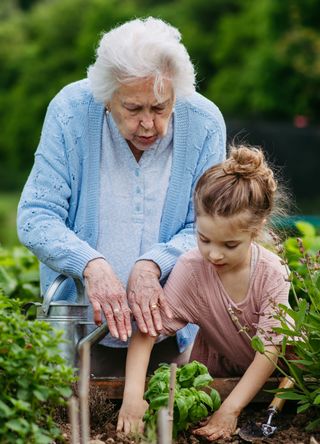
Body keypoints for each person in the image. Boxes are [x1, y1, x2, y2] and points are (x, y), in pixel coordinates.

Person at [16, 17, 226, 374]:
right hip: (79, 330)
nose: (148, 124)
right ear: (107, 97)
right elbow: (37, 215)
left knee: (164, 421)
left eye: (161, 108)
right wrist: (90, 264)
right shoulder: (71, 111)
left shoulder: (204, 123)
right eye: (133, 109)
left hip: (169, 332)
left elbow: (210, 228)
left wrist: (154, 263)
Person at [117, 145, 290, 440]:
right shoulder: (191, 269)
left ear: (257, 228)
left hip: (279, 380)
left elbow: (271, 351)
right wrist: (132, 396)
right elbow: (147, 331)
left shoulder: (272, 272)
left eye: (230, 245)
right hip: (221, 371)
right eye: (204, 239)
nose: (214, 254)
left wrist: (231, 409)